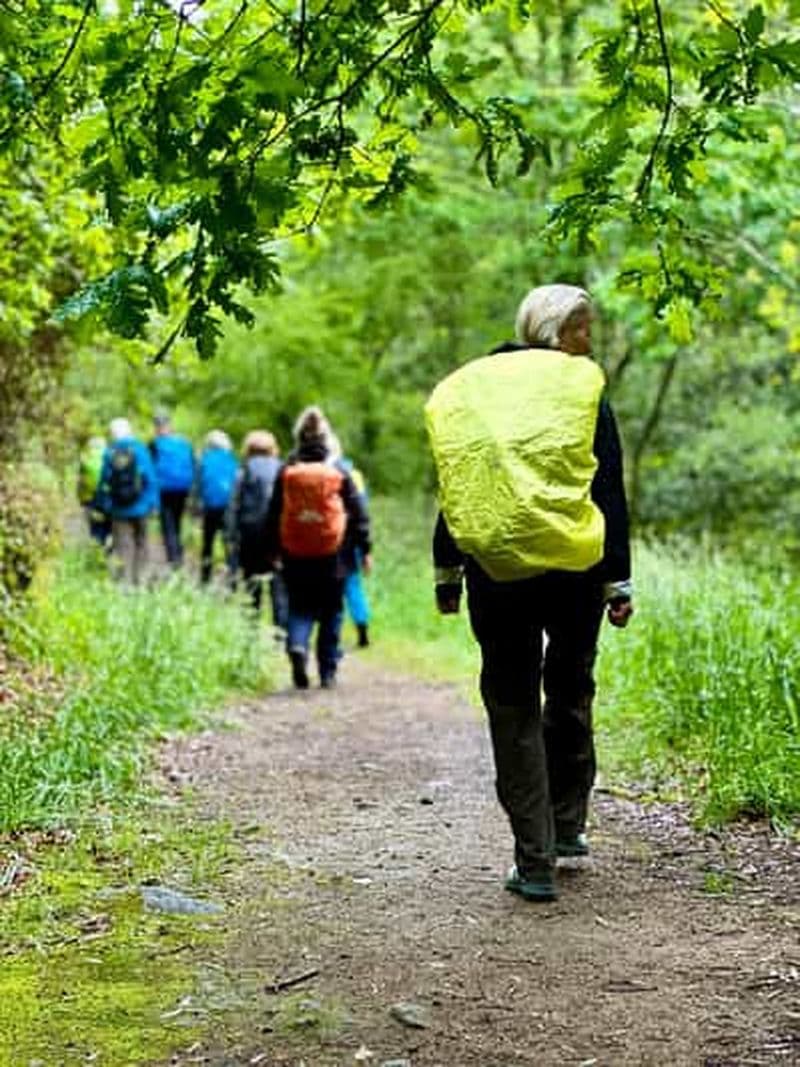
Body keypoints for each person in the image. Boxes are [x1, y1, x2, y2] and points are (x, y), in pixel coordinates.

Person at [426, 283, 633, 904]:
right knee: (570, 687)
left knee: (513, 700)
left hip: (499, 569)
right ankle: (565, 826)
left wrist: (448, 569)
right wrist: (615, 577)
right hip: (574, 566)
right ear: (552, 331)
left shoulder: (479, 386)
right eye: (581, 329)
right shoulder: (582, 389)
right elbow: (610, 486)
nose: (589, 342)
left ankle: (535, 857)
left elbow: (462, 477)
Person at [266, 407, 371, 690]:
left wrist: (272, 549)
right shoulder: (338, 471)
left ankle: (298, 645)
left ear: (298, 437)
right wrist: (365, 548)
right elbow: (359, 513)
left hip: (294, 553)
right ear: (327, 438)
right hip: (334, 555)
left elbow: (274, 512)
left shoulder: (287, 470)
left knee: (300, 606)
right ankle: (327, 671)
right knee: (332, 611)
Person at [227, 430, 287, 627]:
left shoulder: (243, 472)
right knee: (278, 584)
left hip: (249, 535)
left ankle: (251, 629)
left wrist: (231, 537)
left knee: (252, 583)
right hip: (278, 536)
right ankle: (280, 631)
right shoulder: (283, 470)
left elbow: (233, 507)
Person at [97, 418, 159, 585]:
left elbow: (103, 482)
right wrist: (153, 505)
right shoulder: (140, 450)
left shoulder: (109, 453)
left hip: (119, 510)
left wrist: (105, 505)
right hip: (142, 507)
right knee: (142, 543)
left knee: (123, 547)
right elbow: (151, 479)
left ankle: (124, 585)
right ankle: (141, 579)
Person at [149, 413, 195, 567]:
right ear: (170, 426)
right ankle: (179, 553)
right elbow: (193, 464)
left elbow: (148, 469)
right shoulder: (184, 443)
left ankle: (174, 559)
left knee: (167, 525)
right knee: (177, 522)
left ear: (156, 427)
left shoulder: (154, 444)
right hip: (183, 488)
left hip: (164, 490)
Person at [338, 454, 372, 648]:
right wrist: (366, 549)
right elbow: (362, 510)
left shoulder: (329, 471)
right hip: (354, 539)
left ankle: (333, 631)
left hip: (332, 540)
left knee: (332, 588)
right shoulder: (355, 474)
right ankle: (362, 628)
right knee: (353, 585)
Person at [197, 430, 238, 584]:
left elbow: (199, 484)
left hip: (210, 506)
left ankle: (205, 578)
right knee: (229, 543)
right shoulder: (231, 460)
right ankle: (233, 579)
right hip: (228, 507)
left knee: (208, 542)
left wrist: (197, 506)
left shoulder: (205, 459)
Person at [77, 434, 112, 547]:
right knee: (108, 523)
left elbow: (80, 482)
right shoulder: (109, 455)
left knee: (95, 526)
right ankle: (108, 546)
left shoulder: (85, 458)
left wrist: (81, 499)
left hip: (90, 498)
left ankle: (97, 549)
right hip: (106, 497)